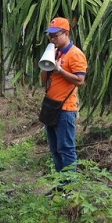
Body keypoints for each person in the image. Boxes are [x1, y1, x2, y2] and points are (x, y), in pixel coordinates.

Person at [40, 16, 87, 173]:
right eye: (50, 35)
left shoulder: (76, 54)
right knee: (55, 150)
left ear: (66, 34)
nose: (52, 39)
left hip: (66, 109)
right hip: (51, 106)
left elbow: (80, 80)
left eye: (56, 35)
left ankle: (69, 188)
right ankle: (61, 186)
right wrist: (47, 63)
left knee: (66, 149)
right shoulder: (55, 53)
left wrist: (60, 70)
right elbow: (43, 81)